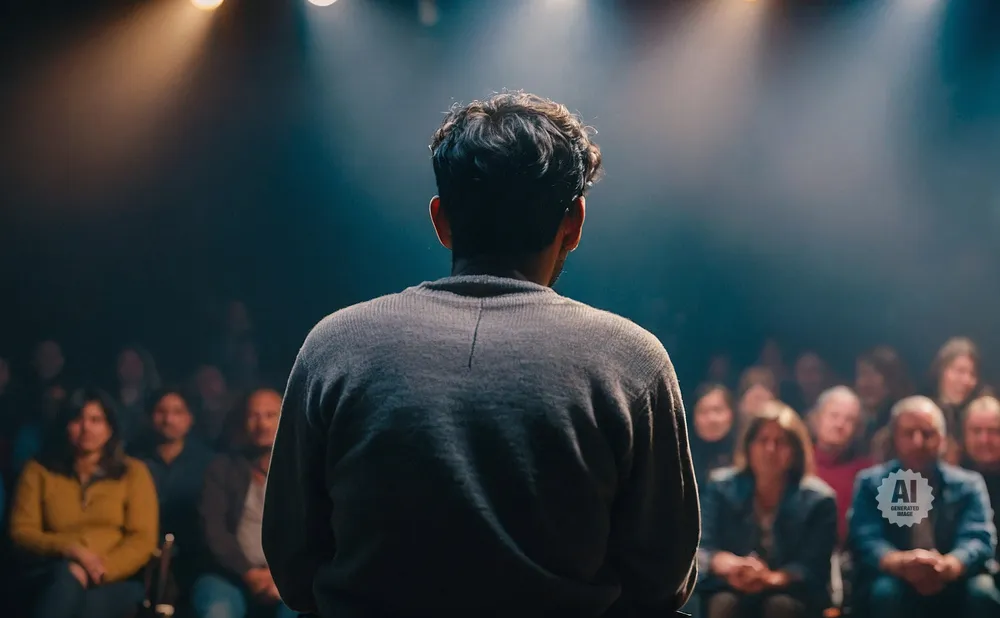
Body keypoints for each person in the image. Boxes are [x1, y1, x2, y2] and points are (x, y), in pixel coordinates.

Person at [262, 91, 700, 618]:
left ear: (440, 219)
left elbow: (292, 563)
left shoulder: (335, 346)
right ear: (575, 223)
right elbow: (662, 580)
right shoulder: (632, 362)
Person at [9, 387, 159, 618]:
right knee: (65, 583)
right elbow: (22, 531)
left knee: (83, 604)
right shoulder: (38, 470)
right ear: (65, 425)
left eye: (96, 420)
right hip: (49, 571)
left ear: (110, 429)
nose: (86, 428)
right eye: (78, 419)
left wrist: (101, 568)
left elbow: (142, 539)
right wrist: (71, 550)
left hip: (114, 577)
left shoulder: (133, 472)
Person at [849, 396, 1000, 618]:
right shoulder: (871, 484)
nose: (918, 442)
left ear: (942, 439)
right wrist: (901, 563)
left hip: (953, 577)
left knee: (982, 592)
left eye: (927, 434)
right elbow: (865, 538)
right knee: (885, 593)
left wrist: (949, 565)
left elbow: (979, 537)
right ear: (895, 439)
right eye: (909, 434)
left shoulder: (968, 484)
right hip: (895, 576)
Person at [698, 401, 837, 618]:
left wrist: (770, 578)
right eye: (762, 440)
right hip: (730, 584)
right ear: (748, 446)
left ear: (795, 451)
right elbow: (702, 548)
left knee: (779, 607)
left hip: (791, 591)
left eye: (780, 442)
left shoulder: (820, 500)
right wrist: (729, 565)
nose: (770, 449)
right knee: (723, 604)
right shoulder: (720, 487)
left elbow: (813, 567)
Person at [192, 388, 296, 618]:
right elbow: (213, 531)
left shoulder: (302, 469)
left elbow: (313, 529)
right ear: (243, 421)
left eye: (271, 415)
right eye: (254, 416)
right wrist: (248, 573)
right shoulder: (222, 468)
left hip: (291, 574)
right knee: (217, 611)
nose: (263, 424)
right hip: (228, 573)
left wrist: (282, 575)